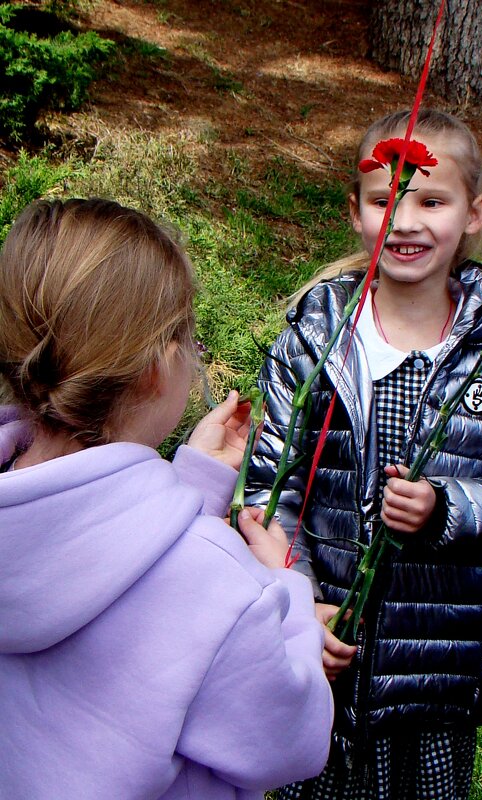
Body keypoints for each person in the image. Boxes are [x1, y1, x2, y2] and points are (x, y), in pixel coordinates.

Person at [246, 109, 482, 800]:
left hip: (439, 656)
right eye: (383, 198)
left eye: (431, 200)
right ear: (355, 210)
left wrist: (448, 507)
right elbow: (270, 487)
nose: (405, 219)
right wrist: (297, 599)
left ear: (473, 213)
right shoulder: (313, 340)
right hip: (329, 646)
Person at [0, 198, 333, 800]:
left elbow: (92, 546)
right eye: (189, 335)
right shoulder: (217, 587)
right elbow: (291, 738)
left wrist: (196, 484)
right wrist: (283, 592)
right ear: (158, 366)